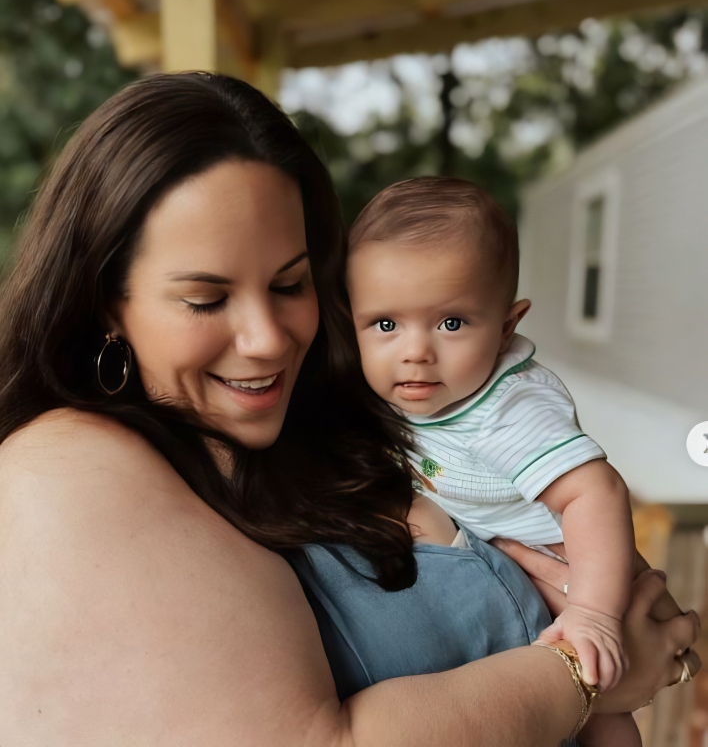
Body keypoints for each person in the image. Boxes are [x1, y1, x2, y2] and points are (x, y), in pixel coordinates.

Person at [0, 73, 699, 746]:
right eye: (207, 299)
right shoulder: (61, 467)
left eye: (289, 284)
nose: (269, 338)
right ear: (103, 303)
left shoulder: (338, 420)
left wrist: (600, 597)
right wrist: (587, 669)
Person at [346, 176, 685, 743]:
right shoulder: (413, 395)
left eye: (451, 323)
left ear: (506, 325)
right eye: (385, 324)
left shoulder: (506, 408)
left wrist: (595, 614)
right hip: (523, 574)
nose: (415, 351)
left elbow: (593, 493)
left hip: (583, 565)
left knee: (606, 713)